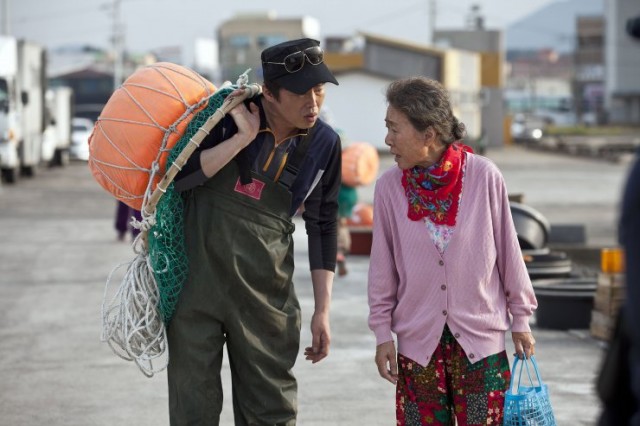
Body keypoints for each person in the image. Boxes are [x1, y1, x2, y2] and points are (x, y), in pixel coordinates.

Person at [166, 38, 340, 425]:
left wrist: (322, 310)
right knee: (192, 406)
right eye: (300, 92)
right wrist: (240, 138)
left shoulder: (325, 144)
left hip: (266, 295)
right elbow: (177, 180)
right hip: (196, 288)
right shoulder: (222, 117)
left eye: (319, 89)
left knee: (271, 410)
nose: (312, 103)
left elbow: (324, 225)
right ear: (271, 94)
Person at [367, 76, 538, 425]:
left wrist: (521, 318)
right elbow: (382, 270)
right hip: (419, 350)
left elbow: (509, 252)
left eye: (394, 129)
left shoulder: (484, 176)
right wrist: (382, 334)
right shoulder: (388, 188)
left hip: (481, 349)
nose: (387, 139)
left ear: (428, 134)